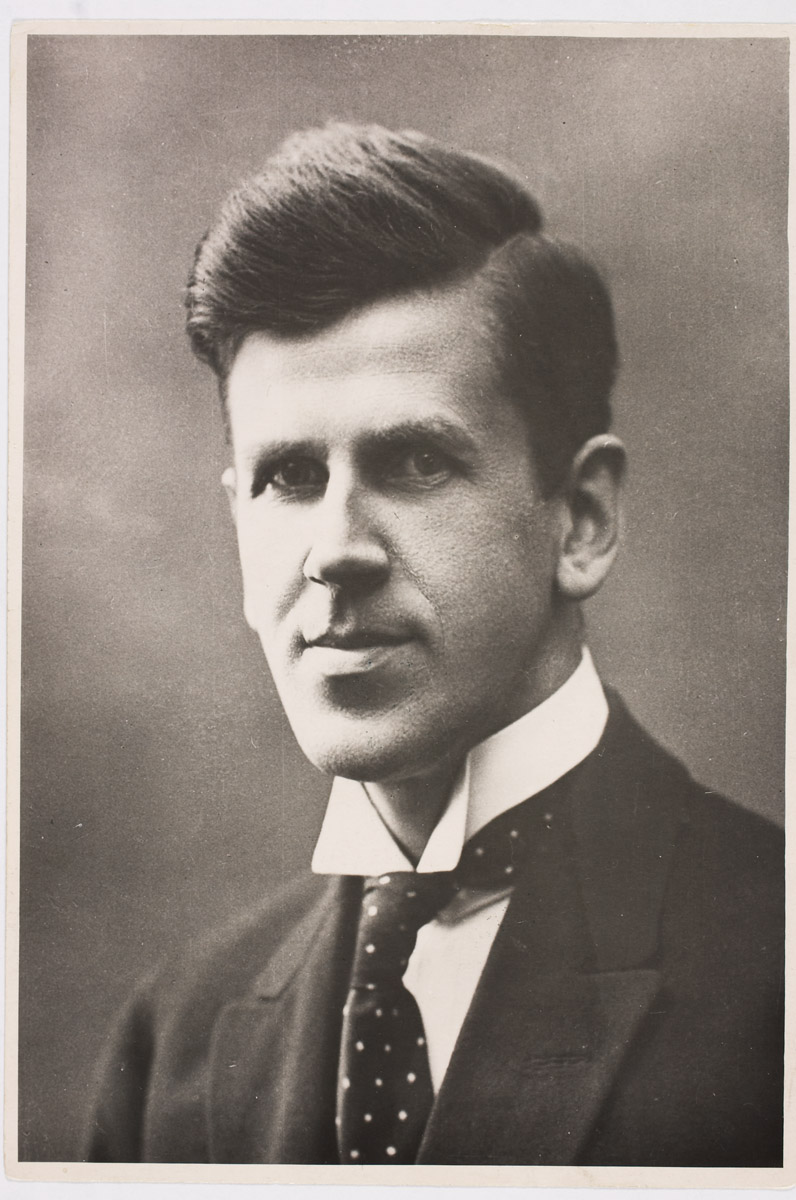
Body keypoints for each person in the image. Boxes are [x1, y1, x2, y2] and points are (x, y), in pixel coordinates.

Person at [84, 122, 784, 1167]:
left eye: (415, 463)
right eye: (290, 477)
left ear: (582, 520)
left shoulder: (773, 966)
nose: (335, 552)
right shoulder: (171, 1041)